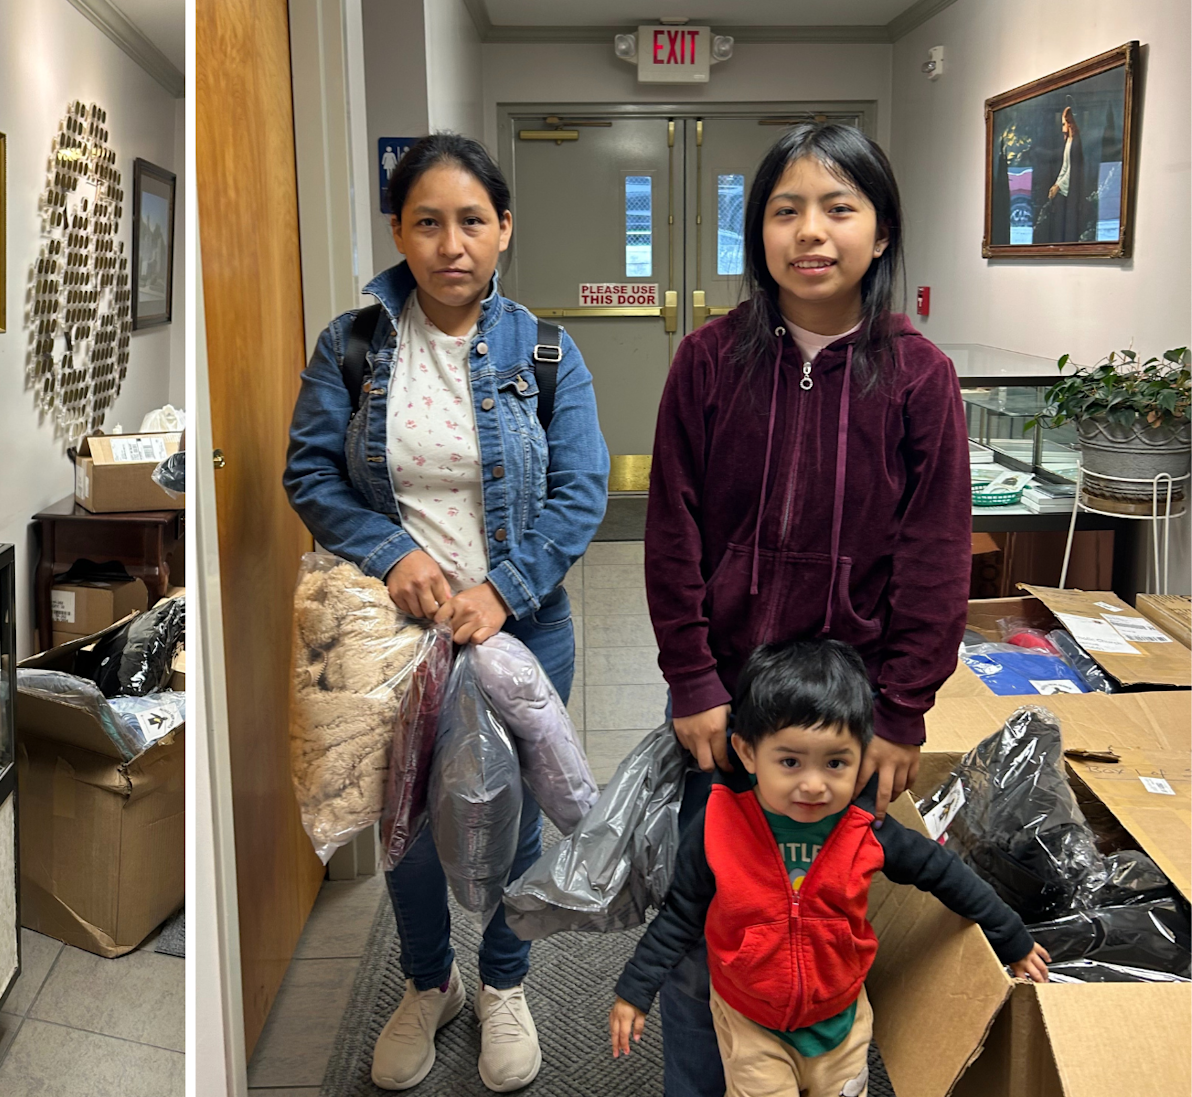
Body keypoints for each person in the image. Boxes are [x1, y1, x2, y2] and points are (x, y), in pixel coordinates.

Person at [643, 121, 972, 1096]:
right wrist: (694, 679)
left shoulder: (920, 378)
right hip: (727, 713)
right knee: (709, 923)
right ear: (758, 233)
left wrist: (904, 707)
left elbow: (934, 555)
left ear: (881, 229)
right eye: (786, 209)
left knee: (821, 925)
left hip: (846, 717)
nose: (812, 231)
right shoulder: (707, 362)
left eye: (839, 207)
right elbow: (672, 533)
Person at [283, 132, 609, 1092]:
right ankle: (431, 979)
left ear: (505, 229)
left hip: (524, 626)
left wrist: (504, 587)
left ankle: (506, 981)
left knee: (514, 812)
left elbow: (583, 488)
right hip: (393, 638)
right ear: (399, 231)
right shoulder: (351, 344)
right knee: (411, 820)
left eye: (473, 220)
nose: (451, 243)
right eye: (428, 222)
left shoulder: (547, 352)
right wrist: (394, 555)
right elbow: (309, 471)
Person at [607, 639, 1049, 1096]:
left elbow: (945, 873)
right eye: (790, 762)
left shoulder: (865, 829)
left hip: (841, 1019)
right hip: (751, 1019)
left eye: (836, 762)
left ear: (862, 757)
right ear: (747, 752)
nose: (814, 785)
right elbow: (681, 913)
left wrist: (1010, 936)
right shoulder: (718, 825)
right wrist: (635, 989)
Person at [1040, 105, 1088, 244]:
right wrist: (1056, 184)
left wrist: (1059, 186)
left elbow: (1074, 169)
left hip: (1072, 192)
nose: (1062, 128)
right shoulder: (1069, 141)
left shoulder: (1077, 142)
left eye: (1064, 124)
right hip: (1064, 189)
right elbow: (1065, 167)